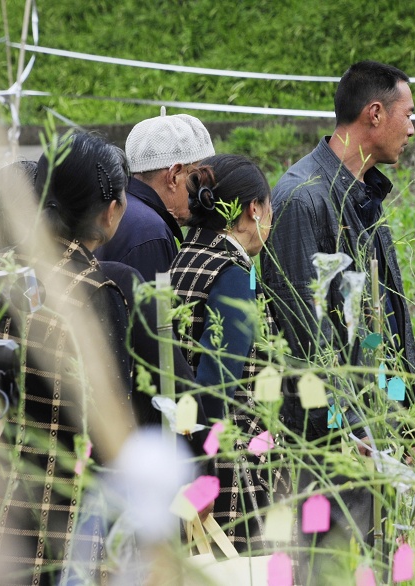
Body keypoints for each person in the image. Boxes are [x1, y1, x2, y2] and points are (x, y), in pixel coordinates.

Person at [261, 60, 415, 581]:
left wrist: (407, 418)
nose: (412, 129)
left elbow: (386, 316)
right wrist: (354, 429)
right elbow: (306, 331)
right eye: (408, 114)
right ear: (375, 114)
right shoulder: (303, 198)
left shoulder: (361, 193)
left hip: (374, 430)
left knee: (372, 565)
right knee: (329, 566)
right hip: (330, 443)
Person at [0, 132, 134, 584]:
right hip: (63, 504)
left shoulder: (5, 272)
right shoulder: (95, 292)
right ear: (111, 211)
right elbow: (112, 417)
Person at [168, 154, 280, 552]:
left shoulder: (184, 258)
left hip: (182, 448)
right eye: (269, 206)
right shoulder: (232, 274)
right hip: (229, 467)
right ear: (254, 209)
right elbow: (216, 385)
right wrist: (204, 474)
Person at [95, 110, 214, 281]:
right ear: (174, 176)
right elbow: (159, 298)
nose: (202, 190)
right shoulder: (151, 232)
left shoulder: (119, 208)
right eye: (198, 179)